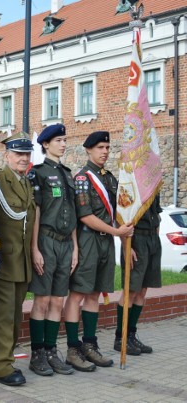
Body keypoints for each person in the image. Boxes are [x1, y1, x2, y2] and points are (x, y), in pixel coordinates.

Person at [63, 131, 134, 372]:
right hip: (88, 241)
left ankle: (90, 345)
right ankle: (73, 348)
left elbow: (117, 214)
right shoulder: (83, 178)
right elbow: (86, 216)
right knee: (78, 294)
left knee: (93, 295)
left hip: (106, 243)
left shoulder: (110, 179)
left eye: (107, 147)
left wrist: (124, 242)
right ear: (89, 150)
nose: (105, 151)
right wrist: (117, 234)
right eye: (100, 147)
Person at [0, 131, 36, 386]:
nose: (24, 158)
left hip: (22, 261)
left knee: (15, 316)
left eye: (27, 154)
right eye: (18, 154)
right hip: (2, 261)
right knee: (5, 315)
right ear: (6, 156)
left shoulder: (26, 182)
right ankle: (3, 367)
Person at [26, 124, 76, 376]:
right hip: (46, 240)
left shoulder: (68, 174)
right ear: (46, 144)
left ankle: (51, 351)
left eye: (65, 140)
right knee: (43, 300)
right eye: (59, 140)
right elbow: (35, 212)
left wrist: (76, 248)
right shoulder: (38, 173)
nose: (64, 144)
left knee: (59, 300)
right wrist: (35, 248)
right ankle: (37, 354)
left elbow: (73, 213)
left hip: (67, 243)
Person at [114, 195, 162, 355]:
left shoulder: (153, 181)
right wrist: (127, 245)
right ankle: (121, 338)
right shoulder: (130, 180)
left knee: (143, 290)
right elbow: (120, 217)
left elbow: (157, 213)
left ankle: (131, 335)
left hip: (152, 238)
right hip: (136, 239)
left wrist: (155, 237)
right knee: (132, 290)